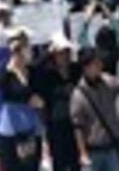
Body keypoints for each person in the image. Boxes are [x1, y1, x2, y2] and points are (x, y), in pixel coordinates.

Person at [70, 47, 119, 171]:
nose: (100, 66)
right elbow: (78, 127)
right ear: (86, 68)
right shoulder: (78, 94)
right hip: (94, 151)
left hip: (111, 147)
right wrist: (82, 153)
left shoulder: (108, 82)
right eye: (95, 63)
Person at [0, 29, 44, 171]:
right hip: (10, 131)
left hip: (31, 129)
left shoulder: (34, 72)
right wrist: (14, 69)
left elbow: (37, 96)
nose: (20, 53)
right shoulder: (6, 74)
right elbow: (4, 88)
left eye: (22, 48)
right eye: (16, 50)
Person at [34, 34, 80, 171]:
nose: (64, 56)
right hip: (55, 125)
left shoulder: (75, 70)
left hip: (75, 123)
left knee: (75, 161)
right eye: (61, 53)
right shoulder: (47, 74)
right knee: (59, 162)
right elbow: (34, 67)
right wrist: (47, 53)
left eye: (67, 52)